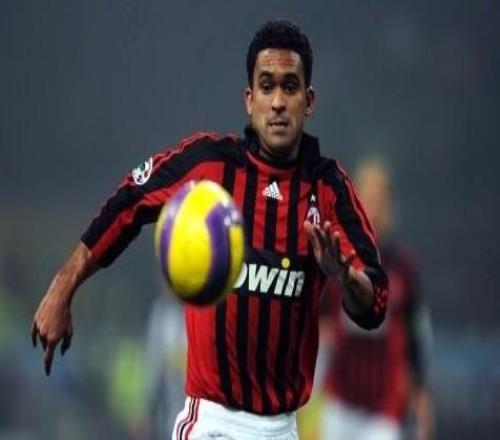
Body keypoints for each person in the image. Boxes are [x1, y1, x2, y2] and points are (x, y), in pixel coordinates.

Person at [31, 20, 388, 439]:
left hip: (283, 427)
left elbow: (376, 302)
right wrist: (63, 286)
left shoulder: (328, 189)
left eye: (289, 87)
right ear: (249, 99)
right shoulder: (209, 166)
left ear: (308, 101)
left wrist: (344, 277)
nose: (277, 102)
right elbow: (128, 202)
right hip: (212, 422)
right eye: (267, 86)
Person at [319, 158, 434, 440]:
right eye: (366, 199)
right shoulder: (338, 259)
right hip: (340, 400)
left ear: (390, 207)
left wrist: (420, 394)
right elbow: (317, 323)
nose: (373, 208)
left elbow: (417, 334)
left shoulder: (402, 269)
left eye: (379, 200)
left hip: (384, 407)